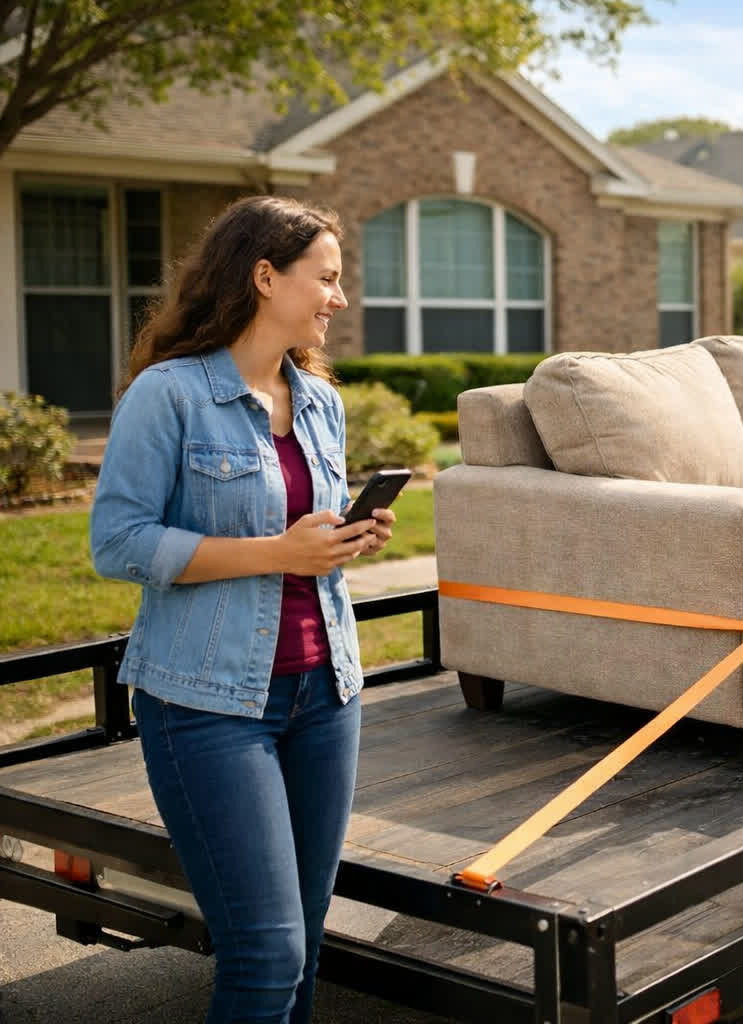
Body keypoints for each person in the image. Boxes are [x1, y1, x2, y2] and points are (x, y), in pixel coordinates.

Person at [90, 195, 394, 1024]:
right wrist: (279, 553)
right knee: (266, 954)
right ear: (265, 276)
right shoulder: (171, 395)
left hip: (325, 695)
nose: (338, 298)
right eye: (325, 279)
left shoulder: (320, 401)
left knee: (305, 949)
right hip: (208, 705)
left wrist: (342, 539)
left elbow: (298, 534)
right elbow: (116, 542)